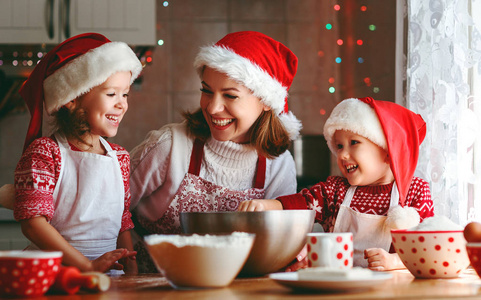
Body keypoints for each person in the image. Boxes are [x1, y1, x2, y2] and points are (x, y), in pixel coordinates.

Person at [129, 31, 301, 272]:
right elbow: (110, 208)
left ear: (265, 102)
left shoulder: (278, 163)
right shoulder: (170, 146)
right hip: (151, 286)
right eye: (206, 90)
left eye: (230, 95)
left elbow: (276, 241)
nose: (213, 107)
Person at [239, 97, 435, 270]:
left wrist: (395, 262)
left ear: (387, 151)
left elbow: (428, 248)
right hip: (337, 287)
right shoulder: (336, 190)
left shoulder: (414, 191)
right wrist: (267, 205)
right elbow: (302, 202)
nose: (342, 154)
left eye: (354, 143)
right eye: (339, 146)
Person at [13, 33, 143, 274]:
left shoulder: (120, 157)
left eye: (125, 94)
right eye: (111, 94)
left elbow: (122, 221)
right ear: (71, 99)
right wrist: (87, 266)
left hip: (110, 274)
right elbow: (32, 224)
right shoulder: (44, 153)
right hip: (57, 274)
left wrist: (130, 270)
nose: (122, 103)